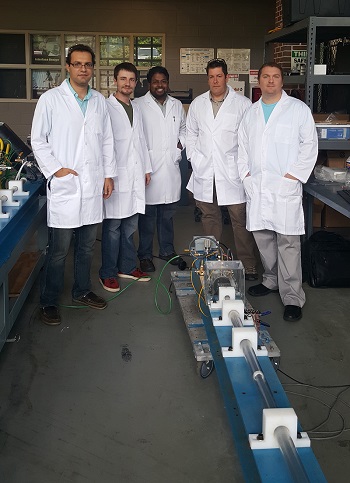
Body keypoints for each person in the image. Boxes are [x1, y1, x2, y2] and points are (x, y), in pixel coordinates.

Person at [31, 44, 116, 326]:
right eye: (77, 64)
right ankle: (49, 301)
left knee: (87, 247)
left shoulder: (99, 101)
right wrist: (56, 170)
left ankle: (82, 290)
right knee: (58, 250)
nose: (83, 69)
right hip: (66, 184)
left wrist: (108, 174)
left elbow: (106, 141)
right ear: (67, 66)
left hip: (92, 184)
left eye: (88, 64)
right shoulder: (51, 99)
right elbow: (39, 139)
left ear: (93, 68)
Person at [237, 62, 318, 322]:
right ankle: (271, 280)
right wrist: (246, 176)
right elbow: (242, 149)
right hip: (258, 186)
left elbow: (310, 145)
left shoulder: (298, 110)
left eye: (276, 77)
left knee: (288, 242)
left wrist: (293, 176)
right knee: (263, 238)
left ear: (282, 81)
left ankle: (293, 296)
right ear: (258, 81)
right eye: (266, 77)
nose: (270, 81)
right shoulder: (250, 113)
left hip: (284, 186)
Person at [186, 58, 258, 281]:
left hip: (233, 171)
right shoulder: (198, 103)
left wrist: (244, 166)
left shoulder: (243, 104)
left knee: (240, 219)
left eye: (219, 76)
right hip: (205, 170)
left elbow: (249, 139)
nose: (215, 80)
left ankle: (249, 265)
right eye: (211, 76)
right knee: (209, 217)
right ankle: (212, 262)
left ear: (227, 77)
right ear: (207, 78)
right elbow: (191, 134)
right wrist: (195, 158)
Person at [99, 62, 152, 292]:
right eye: (123, 79)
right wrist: (106, 175)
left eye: (131, 80)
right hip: (115, 175)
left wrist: (146, 169)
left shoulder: (136, 108)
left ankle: (128, 267)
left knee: (130, 226)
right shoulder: (106, 107)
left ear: (135, 83)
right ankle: (108, 273)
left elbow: (141, 140)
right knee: (112, 229)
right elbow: (103, 144)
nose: (127, 84)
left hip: (134, 174)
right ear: (115, 81)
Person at [133, 66, 186, 272]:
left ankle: (167, 251)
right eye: (155, 81)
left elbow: (183, 128)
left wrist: (179, 146)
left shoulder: (176, 104)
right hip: (149, 167)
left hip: (170, 167)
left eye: (163, 81)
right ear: (148, 83)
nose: (160, 85)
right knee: (147, 218)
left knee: (167, 215)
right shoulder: (138, 105)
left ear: (168, 83)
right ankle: (145, 255)